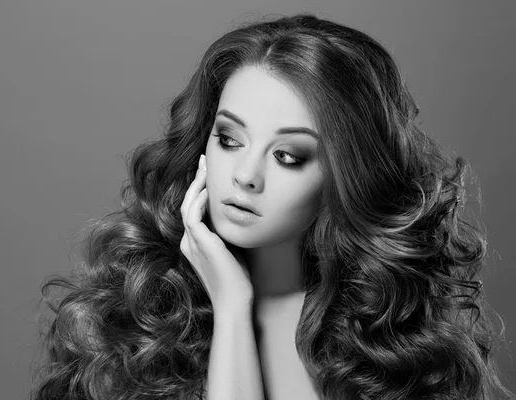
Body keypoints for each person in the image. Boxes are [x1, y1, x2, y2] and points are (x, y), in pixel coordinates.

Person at [29, 13, 513, 400]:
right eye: (229, 139)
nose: (245, 176)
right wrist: (233, 307)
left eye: (288, 156)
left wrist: (235, 310)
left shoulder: (391, 342)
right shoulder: (134, 318)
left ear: (344, 178)